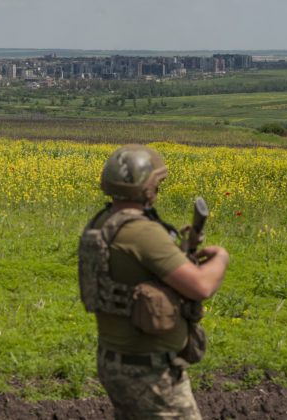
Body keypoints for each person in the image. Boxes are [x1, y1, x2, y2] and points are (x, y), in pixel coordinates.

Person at [78, 144, 229, 419]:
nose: (158, 190)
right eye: (157, 184)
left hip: (114, 360)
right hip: (150, 373)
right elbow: (200, 286)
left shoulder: (103, 223)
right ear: (146, 188)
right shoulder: (141, 233)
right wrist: (221, 257)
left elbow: (136, 272)